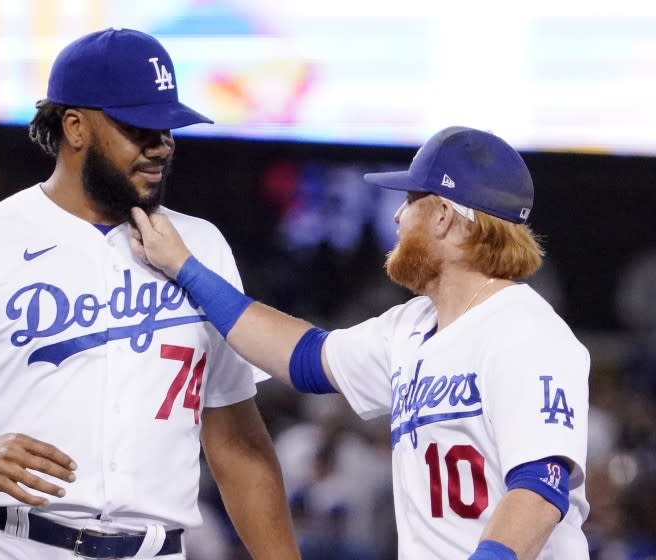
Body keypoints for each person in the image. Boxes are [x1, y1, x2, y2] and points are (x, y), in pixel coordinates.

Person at [0, 28, 300, 560]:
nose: (160, 144)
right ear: (75, 127)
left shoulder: (200, 248)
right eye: (138, 127)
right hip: (4, 542)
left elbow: (236, 441)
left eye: (167, 128)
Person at [129, 126, 591, 559]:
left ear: (445, 216)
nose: (396, 214)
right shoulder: (411, 326)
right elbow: (302, 357)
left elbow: (540, 486)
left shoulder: (527, 332)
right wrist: (186, 267)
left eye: (411, 200)